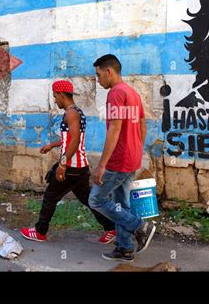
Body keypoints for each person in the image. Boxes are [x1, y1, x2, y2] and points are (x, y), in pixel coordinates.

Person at [21, 80, 116, 244]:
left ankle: (40, 231)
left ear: (62, 95)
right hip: (81, 167)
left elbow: (75, 140)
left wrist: (63, 164)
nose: (55, 100)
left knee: (50, 197)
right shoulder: (76, 112)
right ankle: (111, 228)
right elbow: (71, 138)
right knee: (87, 199)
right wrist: (53, 144)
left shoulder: (71, 114)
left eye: (55, 96)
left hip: (71, 167)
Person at [88, 54, 155, 262]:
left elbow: (115, 129)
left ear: (109, 71)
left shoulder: (116, 93)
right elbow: (143, 123)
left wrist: (101, 165)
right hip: (132, 157)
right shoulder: (132, 93)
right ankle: (125, 248)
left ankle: (140, 226)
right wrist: (137, 147)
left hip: (119, 160)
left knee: (96, 200)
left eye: (99, 75)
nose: (98, 81)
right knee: (121, 204)